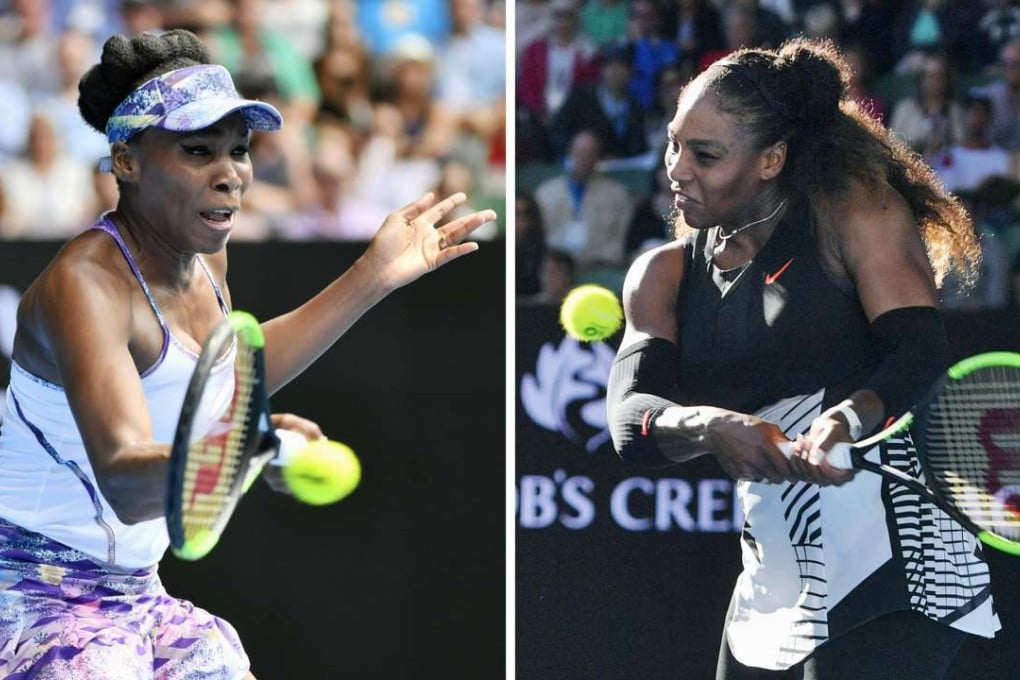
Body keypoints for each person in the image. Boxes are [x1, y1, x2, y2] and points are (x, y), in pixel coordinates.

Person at [0, 29, 494, 678]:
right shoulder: (85, 284)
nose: (230, 172)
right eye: (198, 150)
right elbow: (123, 478)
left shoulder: (206, 257)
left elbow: (227, 382)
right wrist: (249, 449)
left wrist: (371, 276)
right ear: (126, 161)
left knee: (216, 660)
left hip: (136, 590)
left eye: (238, 150)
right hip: (28, 588)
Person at [606, 37, 998, 679]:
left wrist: (848, 417)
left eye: (705, 154)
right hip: (775, 581)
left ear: (772, 160)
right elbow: (632, 419)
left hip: (901, 562)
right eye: (675, 142)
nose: (676, 168)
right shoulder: (662, 273)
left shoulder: (857, 212)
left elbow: (918, 348)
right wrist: (707, 424)